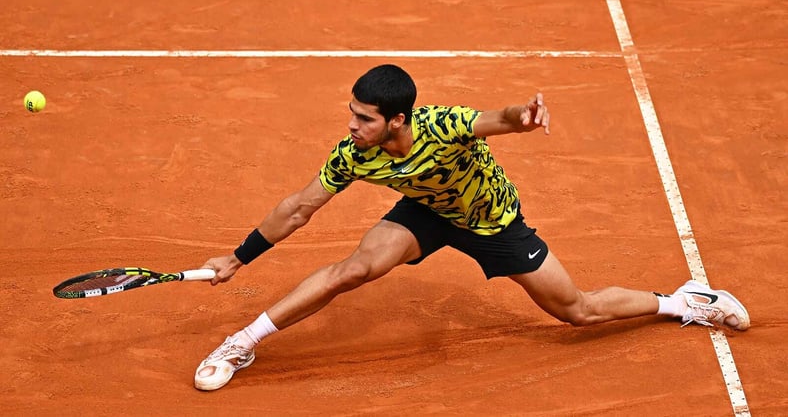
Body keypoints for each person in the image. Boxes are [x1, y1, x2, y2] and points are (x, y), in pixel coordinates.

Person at [193, 64, 750, 391]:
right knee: (352, 270)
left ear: (398, 120)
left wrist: (522, 118)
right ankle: (242, 343)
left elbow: (498, 119)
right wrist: (238, 257)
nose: (352, 124)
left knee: (577, 310)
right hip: (426, 214)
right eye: (352, 113)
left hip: (492, 221)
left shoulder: (442, 124)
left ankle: (684, 302)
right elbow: (298, 208)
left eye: (364, 117)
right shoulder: (354, 154)